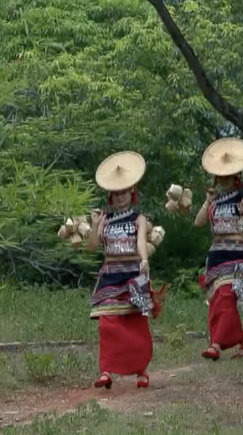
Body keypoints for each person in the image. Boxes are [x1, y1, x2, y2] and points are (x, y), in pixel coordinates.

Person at [87, 151, 163, 389]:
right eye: (116, 193)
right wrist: (95, 226)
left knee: (135, 324)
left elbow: (141, 241)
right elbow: (91, 248)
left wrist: (144, 261)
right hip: (110, 275)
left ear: (132, 192)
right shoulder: (106, 220)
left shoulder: (138, 218)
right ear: (111, 195)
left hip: (132, 273)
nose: (121, 197)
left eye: (125, 192)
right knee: (107, 322)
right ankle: (107, 370)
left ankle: (141, 370)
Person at [195, 138, 243, 360]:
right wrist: (207, 200)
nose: (225, 178)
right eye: (221, 174)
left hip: (237, 257)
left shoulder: (242, 201)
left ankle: (216, 345)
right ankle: (242, 343)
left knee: (227, 298)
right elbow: (198, 222)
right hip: (216, 257)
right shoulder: (214, 201)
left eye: (229, 174)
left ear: (236, 176)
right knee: (218, 301)